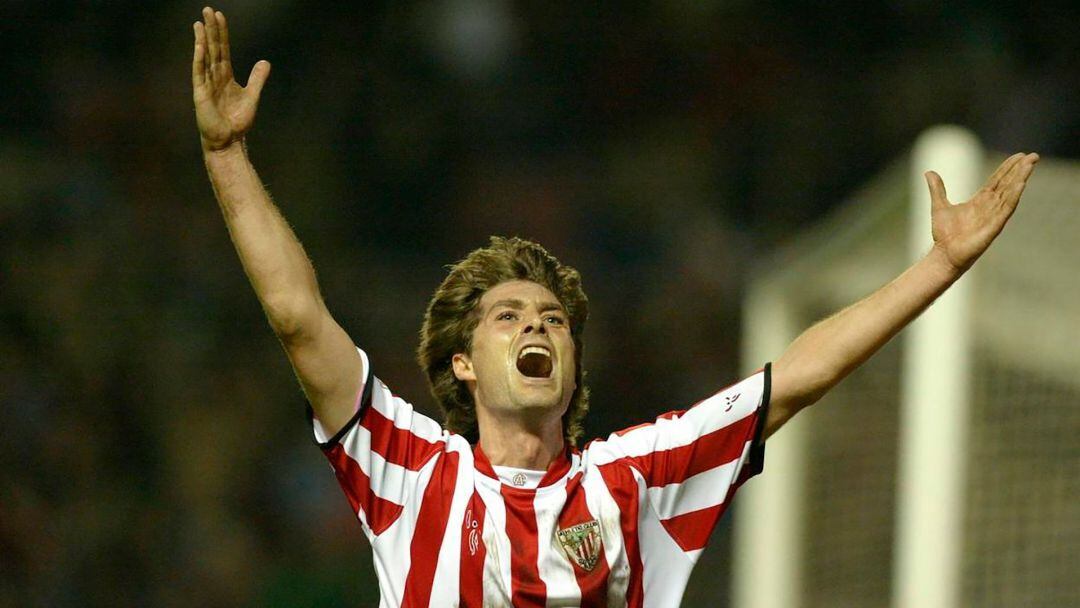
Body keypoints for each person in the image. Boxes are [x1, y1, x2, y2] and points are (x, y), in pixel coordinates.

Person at [191, 6, 1039, 606]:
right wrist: (227, 154)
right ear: (462, 363)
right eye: (509, 316)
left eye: (553, 320)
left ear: (571, 365)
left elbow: (800, 375)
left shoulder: (636, 478)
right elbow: (299, 316)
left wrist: (938, 267)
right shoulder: (410, 471)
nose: (536, 326)